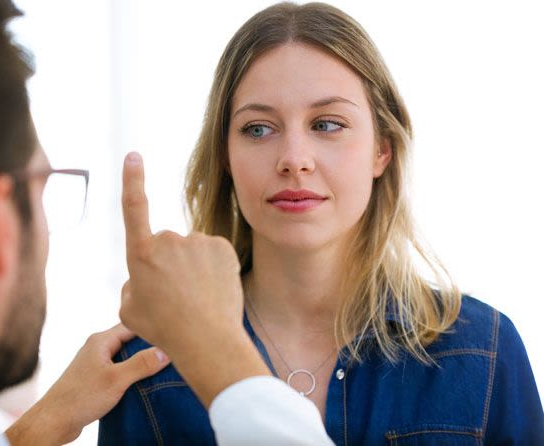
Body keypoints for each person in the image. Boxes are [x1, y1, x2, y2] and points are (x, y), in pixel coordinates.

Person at [0, 0, 335, 445]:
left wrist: (34, 430)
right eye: (42, 189)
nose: (295, 160)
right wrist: (220, 355)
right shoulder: (150, 379)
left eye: (328, 123)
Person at [100, 2, 544, 445]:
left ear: (381, 150)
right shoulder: (148, 363)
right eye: (258, 129)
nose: (294, 159)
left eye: (327, 124)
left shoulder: (484, 350)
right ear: (224, 157)